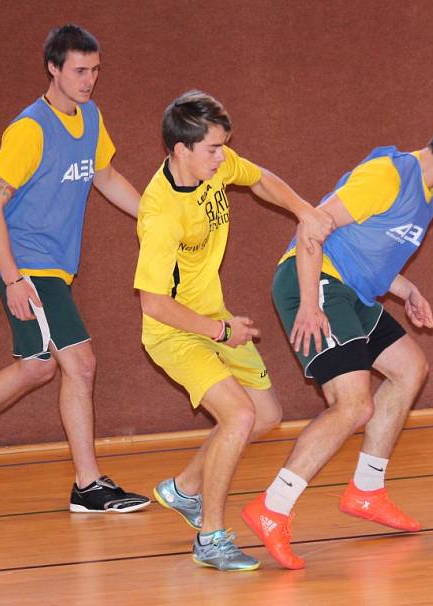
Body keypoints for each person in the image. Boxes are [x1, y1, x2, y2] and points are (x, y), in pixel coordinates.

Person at [241, 103, 433, 569]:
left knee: (410, 369)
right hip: (315, 282)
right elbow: (313, 226)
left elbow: (368, 253)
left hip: (351, 291)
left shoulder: (425, 197)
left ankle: (366, 489)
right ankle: (272, 508)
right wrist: (308, 302)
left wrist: (407, 289)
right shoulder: (388, 175)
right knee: (353, 404)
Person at [0, 24, 149, 513]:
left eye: (94, 70)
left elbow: (105, 176)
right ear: (54, 68)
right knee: (81, 362)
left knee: (38, 366)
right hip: (28, 265)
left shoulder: (90, 118)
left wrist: (155, 217)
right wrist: (12, 278)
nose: (89, 80)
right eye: (79, 71)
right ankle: (88, 486)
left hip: (53, 268)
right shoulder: (30, 129)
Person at [135, 90, 334, 571]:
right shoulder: (161, 214)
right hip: (177, 332)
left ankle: (184, 489)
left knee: (264, 415)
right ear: (180, 150)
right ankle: (211, 538)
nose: (223, 157)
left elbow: (260, 178)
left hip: (215, 318)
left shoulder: (214, 166)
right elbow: (154, 303)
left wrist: (304, 209)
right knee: (239, 417)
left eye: (225, 146)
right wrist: (219, 332)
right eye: (213, 149)